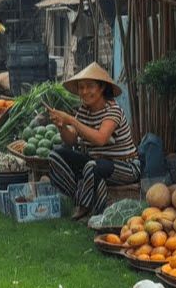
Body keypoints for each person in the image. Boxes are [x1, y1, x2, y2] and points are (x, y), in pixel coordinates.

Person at [45, 63, 150, 221]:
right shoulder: (84, 110)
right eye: (81, 87)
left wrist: (72, 120)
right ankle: (78, 198)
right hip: (96, 164)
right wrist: (62, 126)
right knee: (55, 155)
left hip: (125, 167)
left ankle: (84, 207)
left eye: (90, 87)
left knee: (92, 166)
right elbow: (71, 139)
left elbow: (101, 139)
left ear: (101, 88)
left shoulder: (113, 110)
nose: (84, 91)